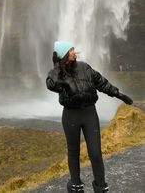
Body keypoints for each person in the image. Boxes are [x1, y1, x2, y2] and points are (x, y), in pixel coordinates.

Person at [46, 41, 133, 193]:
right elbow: (51, 84)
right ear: (64, 54)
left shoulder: (85, 67)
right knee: (73, 152)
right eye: (70, 50)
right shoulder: (57, 74)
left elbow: (102, 83)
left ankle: (100, 187)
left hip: (89, 114)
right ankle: (75, 185)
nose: (74, 51)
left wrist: (119, 94)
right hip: (70, 115)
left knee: (95, 153)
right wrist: (56, 68)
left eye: (73, 49)